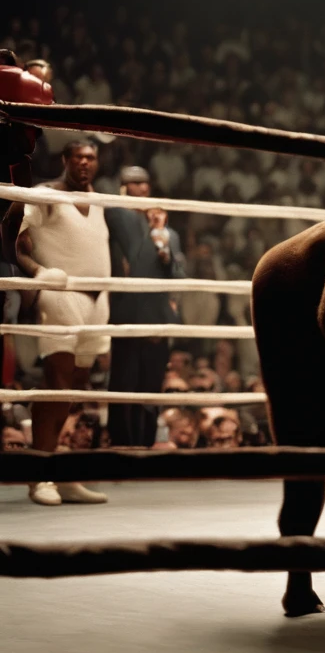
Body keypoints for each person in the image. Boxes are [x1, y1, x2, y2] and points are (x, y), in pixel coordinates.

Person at [9, 139, 110, 505]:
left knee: (78, 389)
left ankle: (61, 472)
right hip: (60, 293)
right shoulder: (46, 194)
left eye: (91, 158)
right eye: (79, 157)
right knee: (58, 382)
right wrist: (38, 272)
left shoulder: (100, 199)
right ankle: (40, 476)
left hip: (98, 302)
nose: (85, 163)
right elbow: (14, 239)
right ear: (65, 160)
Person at [105, 166, 184, 447]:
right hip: (128, 315)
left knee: (150, 385)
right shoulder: (117, 215)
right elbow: (136, 264)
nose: (143, 188)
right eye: (135, 183)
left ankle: (147, 443)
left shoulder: (170, 234)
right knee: (124, 382)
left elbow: (179, 276)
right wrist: (151, 233)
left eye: (145, 183)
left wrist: (161, 240)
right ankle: (122, 445)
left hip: (156, 320)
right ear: (123, 188)